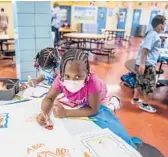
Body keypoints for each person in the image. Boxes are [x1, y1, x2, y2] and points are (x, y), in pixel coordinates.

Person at [36, 49, 121, 126]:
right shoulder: (60, 79)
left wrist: (66, 112)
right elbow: (49, 98)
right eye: (67, 76)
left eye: (78, 76)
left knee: (103, 116)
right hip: (82, 99)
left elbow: (94, 109)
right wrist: (44, 113)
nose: (72, 81)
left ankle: (114, 103)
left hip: (99, 97)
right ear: (62, 73)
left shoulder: (93, 82)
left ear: (87, 73)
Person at [131, 15, 166, 113]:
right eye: (165, 24)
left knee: (140, 83)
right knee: (149, 86)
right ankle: (145, 105)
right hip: (147, 65)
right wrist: (143, 64)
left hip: (142, 64)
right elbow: (145, 49)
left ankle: (135, 100)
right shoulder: (153, 35)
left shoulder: (150, 33)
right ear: (160, 25)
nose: (165, 27)